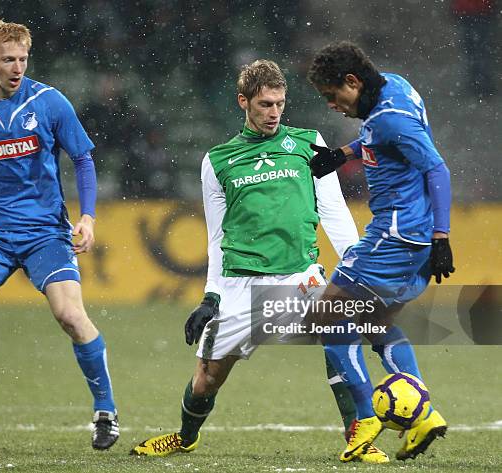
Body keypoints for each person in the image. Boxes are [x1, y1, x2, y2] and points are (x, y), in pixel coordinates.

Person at [130, 59, 388, 463]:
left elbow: (334, 210)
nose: (274, 112)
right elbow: (217, 236)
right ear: (243, 102)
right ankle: (185, 436)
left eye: (280, 104)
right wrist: (210, 296)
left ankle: (359, 438)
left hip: (299, 275)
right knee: (206, 380)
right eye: (266, 104)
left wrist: (359, 269)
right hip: (239, 284)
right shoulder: (218, 161)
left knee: (339, 340)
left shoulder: (308, 144)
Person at [0, 19, 119, 451]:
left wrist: (89, 217)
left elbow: (83, 159)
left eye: (22, 58)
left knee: (71, 317)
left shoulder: (50, 102)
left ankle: (106, 412)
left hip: (44, 232)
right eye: (8, 59)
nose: (17, 67)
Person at [306, 41, 454, 462]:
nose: (333, 106)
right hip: (411, 235)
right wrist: (343, 154)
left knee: (327, 315)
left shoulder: (391, 118)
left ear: (353, 82)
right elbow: (379, 137)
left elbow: (436, 168)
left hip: (396, 234)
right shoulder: (394, 87)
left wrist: (443, 237)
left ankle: (366, 417)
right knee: (372, 322)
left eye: (333, 96)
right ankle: (422, 414)